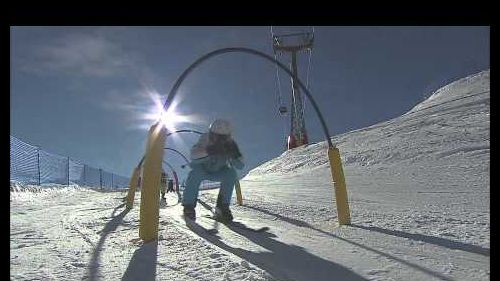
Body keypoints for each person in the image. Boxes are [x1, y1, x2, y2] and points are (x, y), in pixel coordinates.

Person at [182, 119, 244, 222]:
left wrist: (234, 155)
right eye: (216, 136)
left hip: (219, 170)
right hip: (202, 169)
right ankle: (189, 206)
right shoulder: (205, 138)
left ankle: (222, 207)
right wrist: (209, 151)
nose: (220, 140)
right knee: (194, 174)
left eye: (223, 137)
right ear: (211, 134)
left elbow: (240, 165)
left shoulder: (231, 144)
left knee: (231, 173)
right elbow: (193, 155)